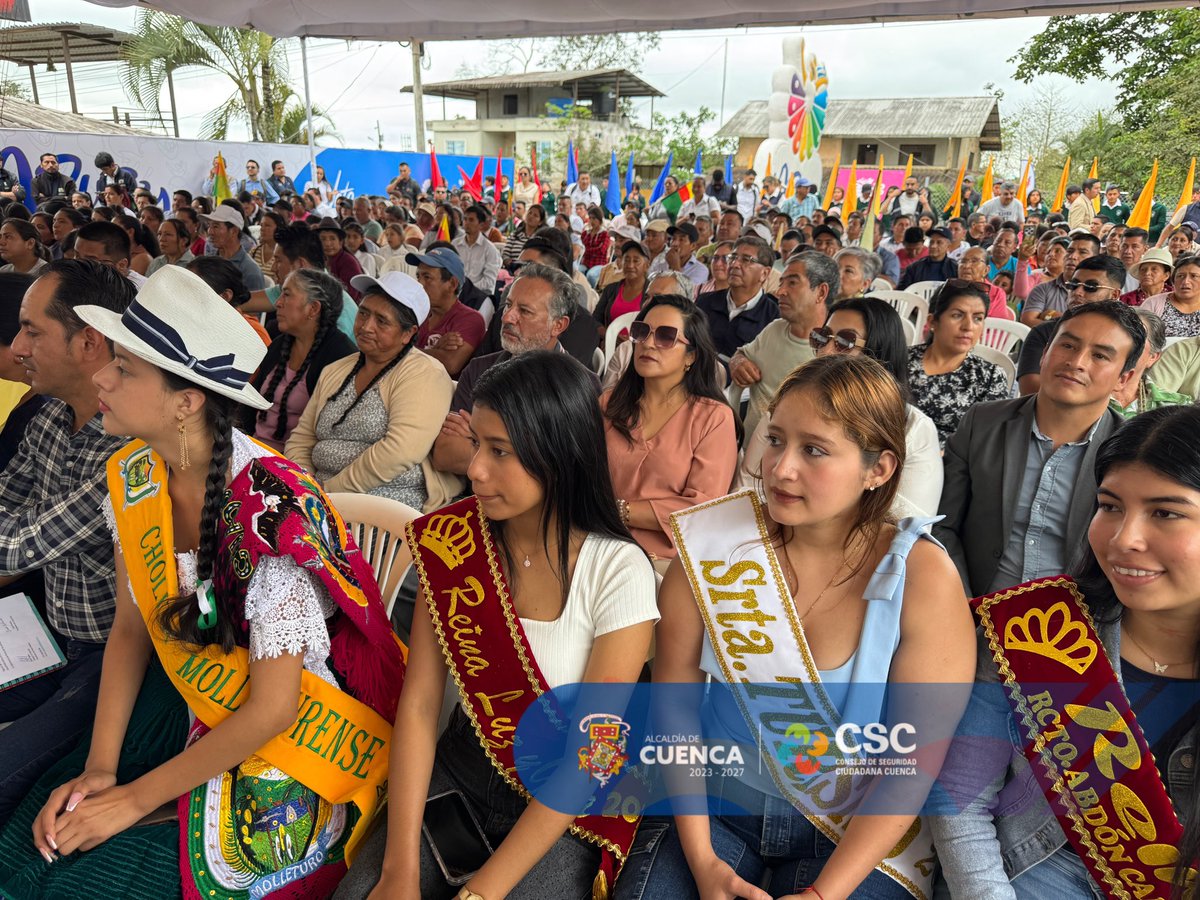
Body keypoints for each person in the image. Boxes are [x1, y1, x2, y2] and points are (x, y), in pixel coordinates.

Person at [0, 264, 403, 898]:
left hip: (282, 742)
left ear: (187, 401)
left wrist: (132, 802)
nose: (102, 376)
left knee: (90, 879)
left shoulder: (272, 512)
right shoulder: (136, 472)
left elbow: (274, 709)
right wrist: (101, 771)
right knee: (33, 841)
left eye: (125, 369)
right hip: (183, 697)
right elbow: (131, 633)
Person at [621, 352, 973, 900]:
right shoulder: (715, 545)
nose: (780, 467)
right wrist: (703, 861)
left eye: (814, 450)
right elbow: (675, 710)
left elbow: (914, 761)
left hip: (851, 827)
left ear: (878, 468)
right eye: (776, 439)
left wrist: (822, 895)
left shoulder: (923, 577)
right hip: (712, 803)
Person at [336, 351, 656, 900]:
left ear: (558, 453)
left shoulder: (618, 569)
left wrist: (482, 892)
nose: (475, 468)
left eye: (499, 451)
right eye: (476, 443)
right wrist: (397, 870)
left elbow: (591, 753)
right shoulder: (454, 544)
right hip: (463, 767)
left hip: (568, 803)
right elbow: (418, 707)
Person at [932, 404, 1200, 900]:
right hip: (1024, 875)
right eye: (1110, 505)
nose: (1124, 539)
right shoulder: (1037, 628)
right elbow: (961, 798)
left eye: (1165, 512)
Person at [0, 261, 137, 825]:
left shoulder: (131, 448)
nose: (16, 345)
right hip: (48, 632)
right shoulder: (51, 416)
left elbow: (15, 546)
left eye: (33, 330)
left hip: (112, 661)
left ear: (89, 342)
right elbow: (7, 506)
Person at [936, 299, 1144, 597]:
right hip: (977, 607)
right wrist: (962, 602)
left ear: (1123, 379)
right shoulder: (983, 423)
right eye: (1068, 346)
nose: (1077, 362)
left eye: (1099, 355)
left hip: (1077, 624)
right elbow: (943, 525)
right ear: (1045, 353)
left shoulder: (1131, 449)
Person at [286, 271, 452, 510]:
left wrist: (329, 494)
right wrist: (305, 486)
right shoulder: (336, 370)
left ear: (408, 334)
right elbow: (303, 438)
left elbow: (400, 451)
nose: (366, 326)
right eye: (363, 313)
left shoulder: (424, 373)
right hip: (318, 499)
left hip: (382, 510)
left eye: (381, 321)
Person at [602, 295, 737, 563]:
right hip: (596, 540)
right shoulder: (610, 403)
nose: (648, 343)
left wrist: (618, 511)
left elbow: (700, 511)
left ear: (691, 356)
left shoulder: (713, 418)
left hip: (663, 560)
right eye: (642, 332)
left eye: (666, 336)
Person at [730, 250, 838, 436]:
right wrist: (738, 363)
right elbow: (741, 354)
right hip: (745, 453)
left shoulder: (832, 353)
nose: (780, 292)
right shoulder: (775, 329)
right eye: (781, 283)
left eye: (793, 283)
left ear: (821, 292)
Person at [246, 268, 355, 451]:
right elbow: (249, 408)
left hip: (291, 463)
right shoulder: (281, 344)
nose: (278, 303)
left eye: (287, 295)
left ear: (313, 308)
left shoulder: (339, 357)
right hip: (252, 448)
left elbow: (327, 436)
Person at [906, 280, 1011, 448]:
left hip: (949, 465)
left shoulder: (989, 377)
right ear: (933, 322)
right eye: (957, 315)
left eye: (978, 318)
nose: (968, 326)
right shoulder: (902, 359)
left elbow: (987, 442)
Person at [405, 246, 485, 377]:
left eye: (427, 277)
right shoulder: (416, 313)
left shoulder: (470, 319)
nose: (419, 283)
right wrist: (435, 350)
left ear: (452, 284)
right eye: (418, 276)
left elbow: (450, 363)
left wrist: (402, 350)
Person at [695, 236, 779, 358]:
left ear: (764, 273)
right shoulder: (704, 302)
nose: (734, 264)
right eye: (732, 258)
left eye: (746, 260)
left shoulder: (773, 317)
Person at [595, 238, 650, 334]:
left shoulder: (651, 293)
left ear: (647, 265)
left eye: (636, 261)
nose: (630, 265)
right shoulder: (611, 289)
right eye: (627, 260)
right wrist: (610, 335)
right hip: (609, 345)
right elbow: (595, 319)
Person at [1140, 253, 1200, 337]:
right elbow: (1140, 338)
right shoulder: (1153, 303)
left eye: (1194, 276)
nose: (1186, 281)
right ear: (1173, 280)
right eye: (1180, 276)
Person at [957, 245, 1015, 319]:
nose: (966, 266)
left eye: (974, 261)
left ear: (986, 270)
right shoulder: (949, 288)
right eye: (963, 261)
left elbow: (998, 326)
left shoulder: (997, 293)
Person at [503, 201, 543, 268]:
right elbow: (505, 254)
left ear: (540, 222)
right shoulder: (515, 235)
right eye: (530, 213)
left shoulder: (539, 240)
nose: (531, 216)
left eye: (535, 215)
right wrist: (508, 262)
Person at [251, 209, 285, 282]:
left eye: (267, 225)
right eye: (261, 225)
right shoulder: (254, 251)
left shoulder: (283, 254)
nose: (262, 229)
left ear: (278, 229)